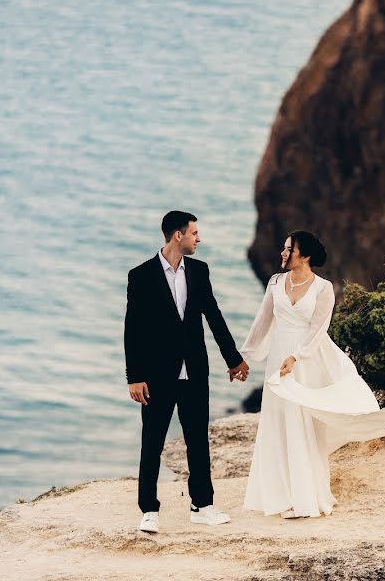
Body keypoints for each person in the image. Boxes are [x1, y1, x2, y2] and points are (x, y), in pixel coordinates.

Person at [240, 230, 385, 519]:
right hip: (277, 362)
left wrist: (296, 357)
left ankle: (305, 497)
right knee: (277, 422)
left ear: (304, 255)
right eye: (283, 248)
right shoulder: (275, 282)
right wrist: (244, 358)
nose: (283, 253)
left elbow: (318, 329)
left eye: (289, 249)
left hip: (303, 362)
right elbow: (262, 323)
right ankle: (279, 494)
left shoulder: (323, 289)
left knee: (302, 424)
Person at [124, 210, 250, 533]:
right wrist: (134, 376)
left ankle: (202, 504)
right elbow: (133, 330)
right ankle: (149, 510)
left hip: (194, 371)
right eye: (195, 233)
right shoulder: (141, 276)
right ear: (177, 235)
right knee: (152, 443)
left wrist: (233, 359)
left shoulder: (199, 271)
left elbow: (214, 315)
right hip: (155, 377)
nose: (199, 238)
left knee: (198, 441)